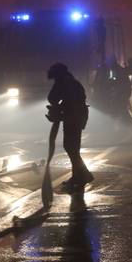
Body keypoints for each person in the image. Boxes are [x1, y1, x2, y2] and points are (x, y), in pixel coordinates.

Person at [47, 63, 93, 191]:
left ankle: (81, 176)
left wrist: (59, 109)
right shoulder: (71, 81)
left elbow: (52, 98)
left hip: (74, 117)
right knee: (72, 148)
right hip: (77, 116)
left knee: (71, 147)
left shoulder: (63, 82)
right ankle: (81, 175)